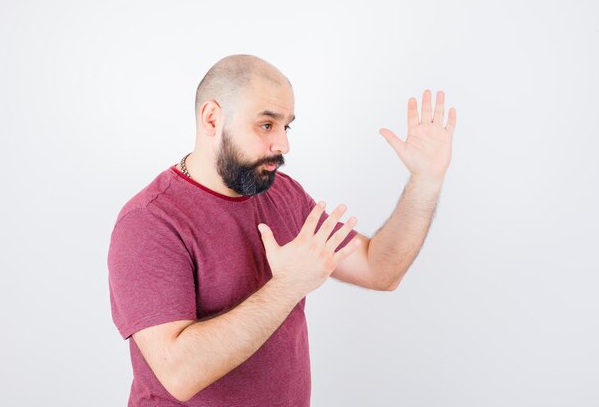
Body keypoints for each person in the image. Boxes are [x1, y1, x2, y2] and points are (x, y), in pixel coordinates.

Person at [107, 54, 457, 406]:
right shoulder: (150, 221)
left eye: (286, 126)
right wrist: (288, 286)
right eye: (266, 125)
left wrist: (425, 182)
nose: (283, 144)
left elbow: (379, 269)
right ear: (212, 118)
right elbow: (179, 374)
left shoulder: (283, 193)